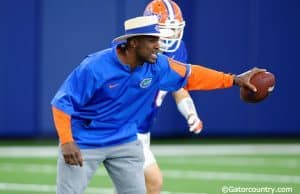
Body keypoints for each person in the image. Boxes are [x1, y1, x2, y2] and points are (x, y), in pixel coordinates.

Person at [51, 15, 264, 194]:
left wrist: (234, 79)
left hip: (124, 140)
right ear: (134, 42)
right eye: (153, 40)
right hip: (84, 141)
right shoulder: (95, 67)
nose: (158, 45)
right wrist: (67, 141)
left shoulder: (158, 65)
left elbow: (192, 75)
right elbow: (62, 102)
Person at [139, 1, 202, 193]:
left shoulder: (177, 50)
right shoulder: (138, 51)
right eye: (167, 30)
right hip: (124, 126)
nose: (172, 35)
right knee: (153, 181)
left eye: (175, 29)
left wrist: (191, 113)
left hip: (142, 128)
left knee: (133, 187)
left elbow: (177, 86)